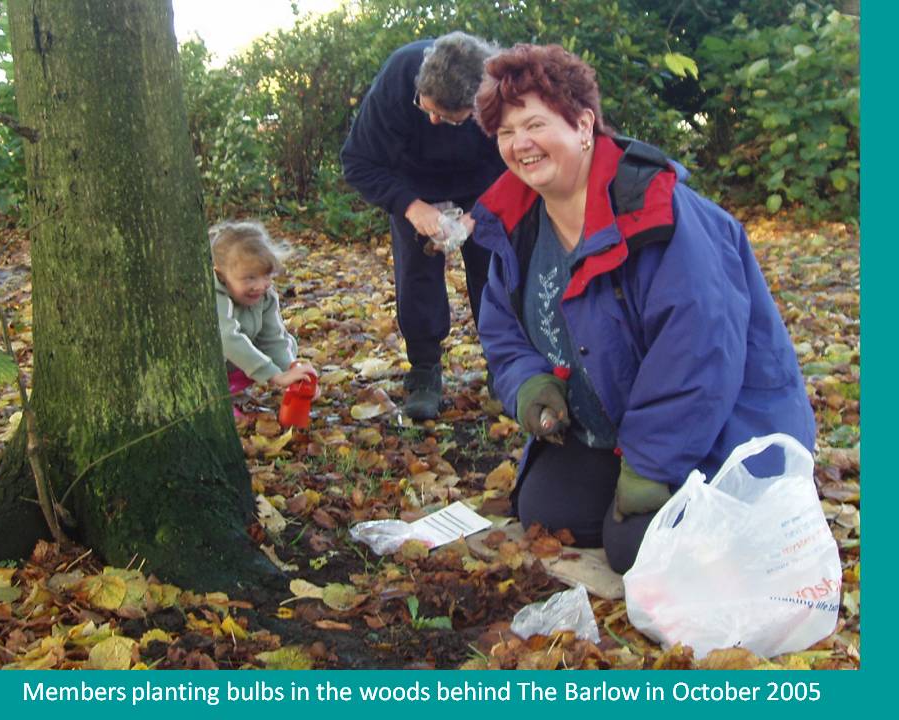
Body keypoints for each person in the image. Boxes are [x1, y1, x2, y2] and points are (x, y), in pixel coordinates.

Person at [469, 44, 816, 573]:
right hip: (610, 427)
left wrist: (651, 464)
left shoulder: (657, 212)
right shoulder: (516, 222)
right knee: (545, 511)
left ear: (584, 125)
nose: (521, 145)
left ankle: (711, 499)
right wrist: (529, 384)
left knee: (636, 551)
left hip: (724, 425)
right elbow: (501, 329)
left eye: (535, 125)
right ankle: (638, 481)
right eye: (506, 133)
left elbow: (700, 354)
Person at [341, 31, 507, 420]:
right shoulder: (400, 75)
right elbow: (358, 161)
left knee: (496, 276)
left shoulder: (502, 93)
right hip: (413, 185)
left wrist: (479, 215)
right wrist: (410, 206)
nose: (432, 119)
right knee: (416, 275)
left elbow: (517, 167)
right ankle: (424, 371)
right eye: (426, 108)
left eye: (446, 119)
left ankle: (505, 367)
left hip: (482, 187)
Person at [210, 220, 317, 418]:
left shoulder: (266, 295)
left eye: (266, 275)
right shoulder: (215, 296)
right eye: (249, 278)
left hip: (236, 366)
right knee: (231, 347)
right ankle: (215, 400)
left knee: (288, 345)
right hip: (211, 366)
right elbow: (226, 338)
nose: (260, 285)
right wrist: (274, 375)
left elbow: (274, 338)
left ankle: (228, 392)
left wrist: (292, 373)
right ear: (221, 275)